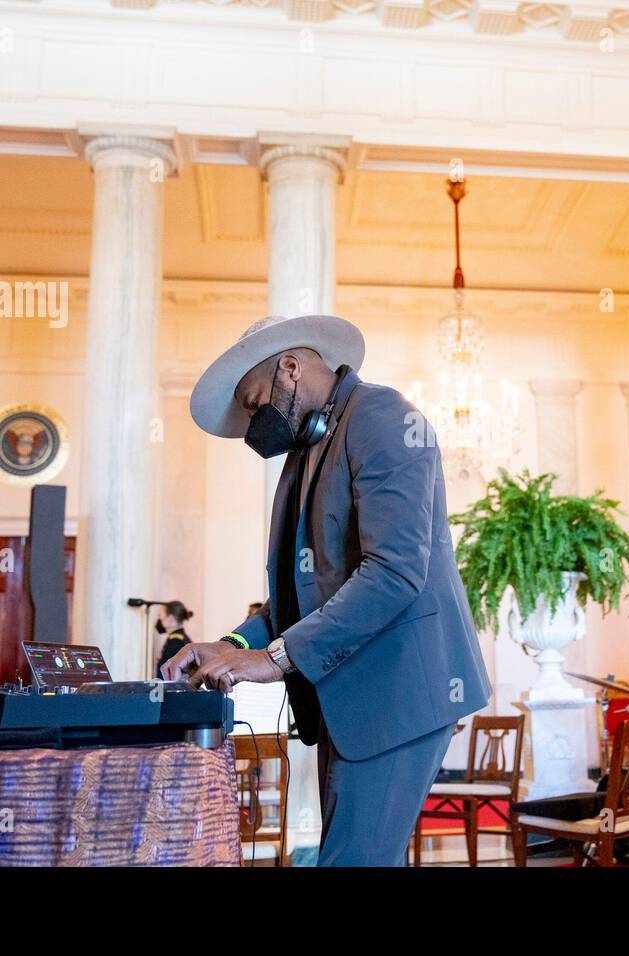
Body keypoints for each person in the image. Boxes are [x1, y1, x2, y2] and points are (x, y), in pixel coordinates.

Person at [164, 313, 491, 866]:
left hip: (397, 694)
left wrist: (277, 658)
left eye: (252, 402)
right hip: (350, 697)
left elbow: (394, 573)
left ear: (290, 367)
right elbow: (303, 594)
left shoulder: (382, 417)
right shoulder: (307, 452)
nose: (251, 424)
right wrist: (236, 646)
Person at [153, 600, 195, 677]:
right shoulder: (180, 638)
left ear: (171, 619)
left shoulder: (176, 642)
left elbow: (169, 673)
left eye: (160, 616)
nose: (159, 620)